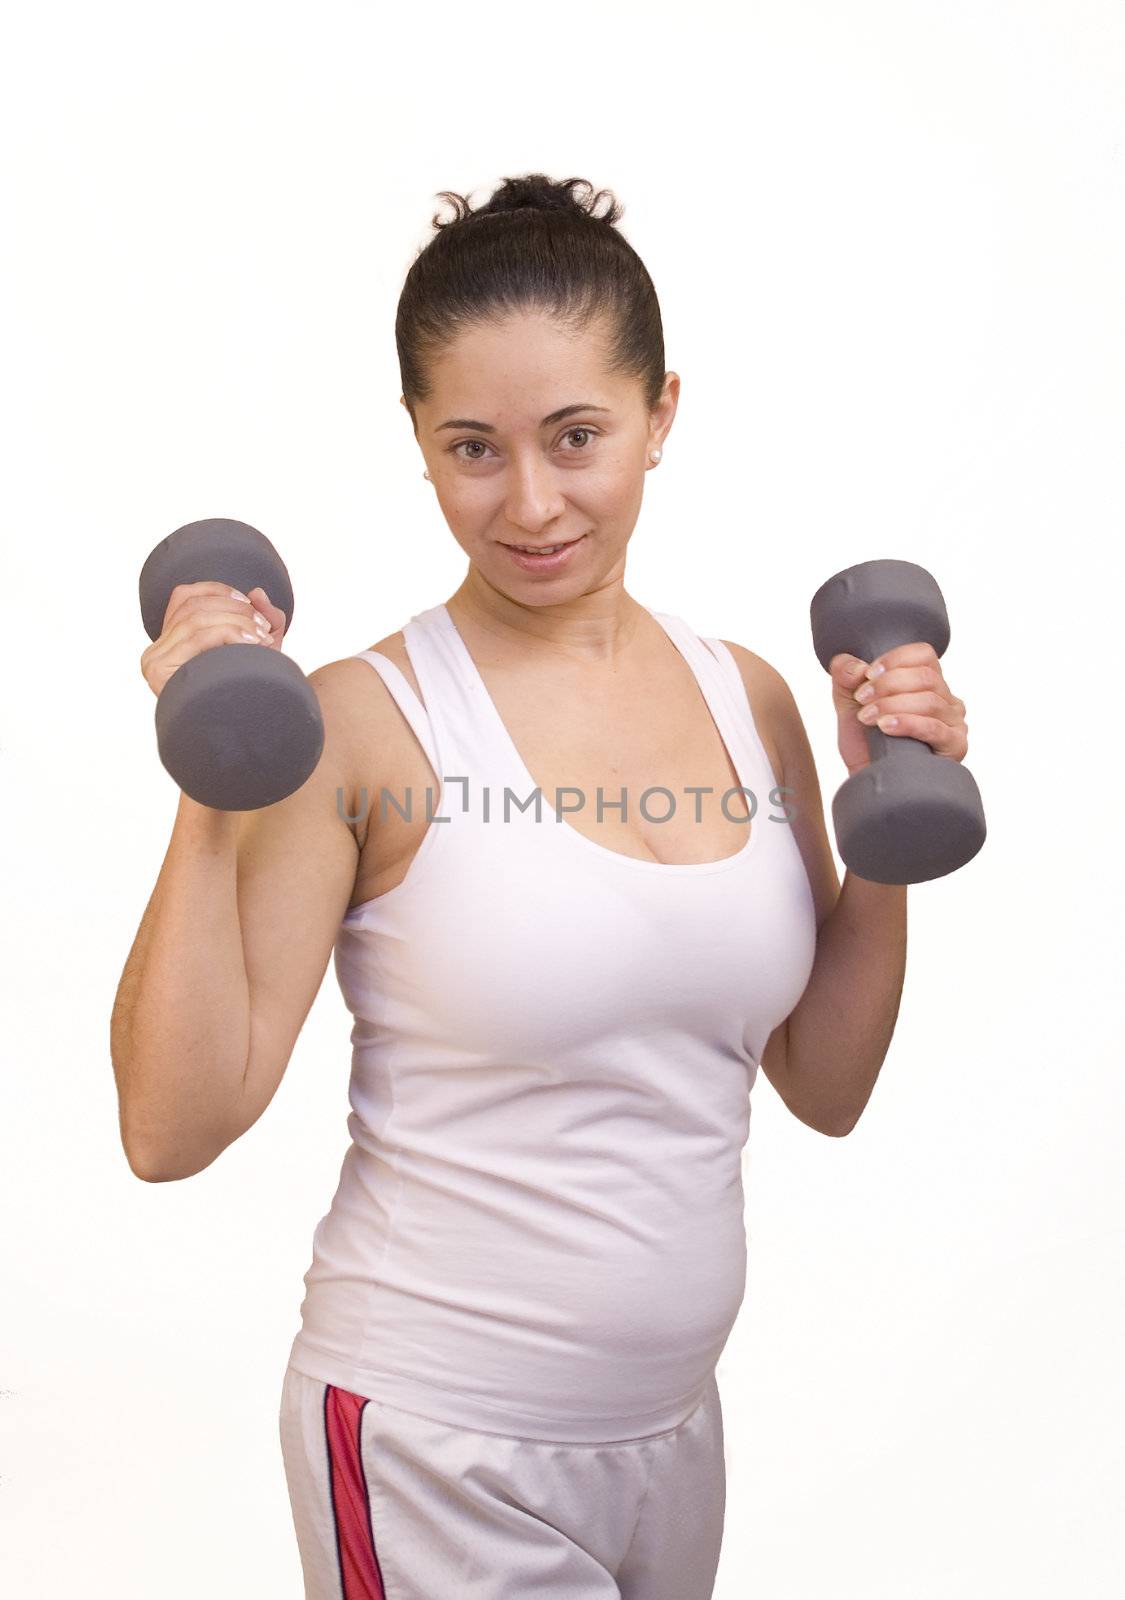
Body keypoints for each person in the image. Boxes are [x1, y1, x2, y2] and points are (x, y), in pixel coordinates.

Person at [113, 172, 970, 1599]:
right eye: (471, 447)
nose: (527, 502)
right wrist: (214, 771)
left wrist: (883, 823)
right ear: (418, 443)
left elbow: (821, 1083)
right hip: (436, 1444)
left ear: (660, 414)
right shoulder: (365, 721)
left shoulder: (745, 697)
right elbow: (169, 1126)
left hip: (665, 1435)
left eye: (576, 436)